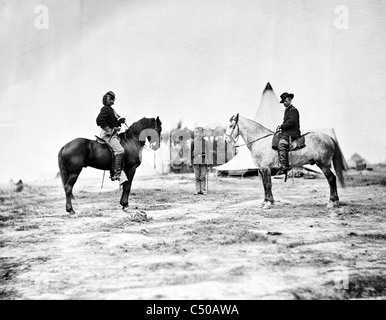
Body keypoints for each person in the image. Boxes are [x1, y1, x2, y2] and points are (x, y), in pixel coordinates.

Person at [96, 91, 126, 181]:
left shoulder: (111, 110)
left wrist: (119, 122)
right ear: (105, 99)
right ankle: (116, 174)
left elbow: (112, 122)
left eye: (113, 99)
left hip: (113, 134)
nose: (112, 101)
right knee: (120, 150)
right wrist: (109, 130)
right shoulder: (105, 108)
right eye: (110, 99)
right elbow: (99, 120)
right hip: (108, 135)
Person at [276, 92, 301, 173]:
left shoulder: (293, 110)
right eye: (283, 102)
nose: (284, 103)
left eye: (285, 101)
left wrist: (282, 126)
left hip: (292, 133)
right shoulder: (288, 109)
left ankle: (284, 165)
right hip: (287, 132)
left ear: (289, 100)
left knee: (281, 144)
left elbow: (292, 122)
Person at [190, 127, 210, 195]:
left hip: (203, 160)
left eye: (201, 132)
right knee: (197, 176)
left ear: (202, 133)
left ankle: (203, 190)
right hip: (195, 160)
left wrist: (209, 161)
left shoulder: (206, 142)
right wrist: (190, 161)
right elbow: (190, 152)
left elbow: (208, 152)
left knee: (203, 176)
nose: (199, 134)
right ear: (196, 133)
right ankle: (197, 190)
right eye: (198, 132)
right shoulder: (193, 142)